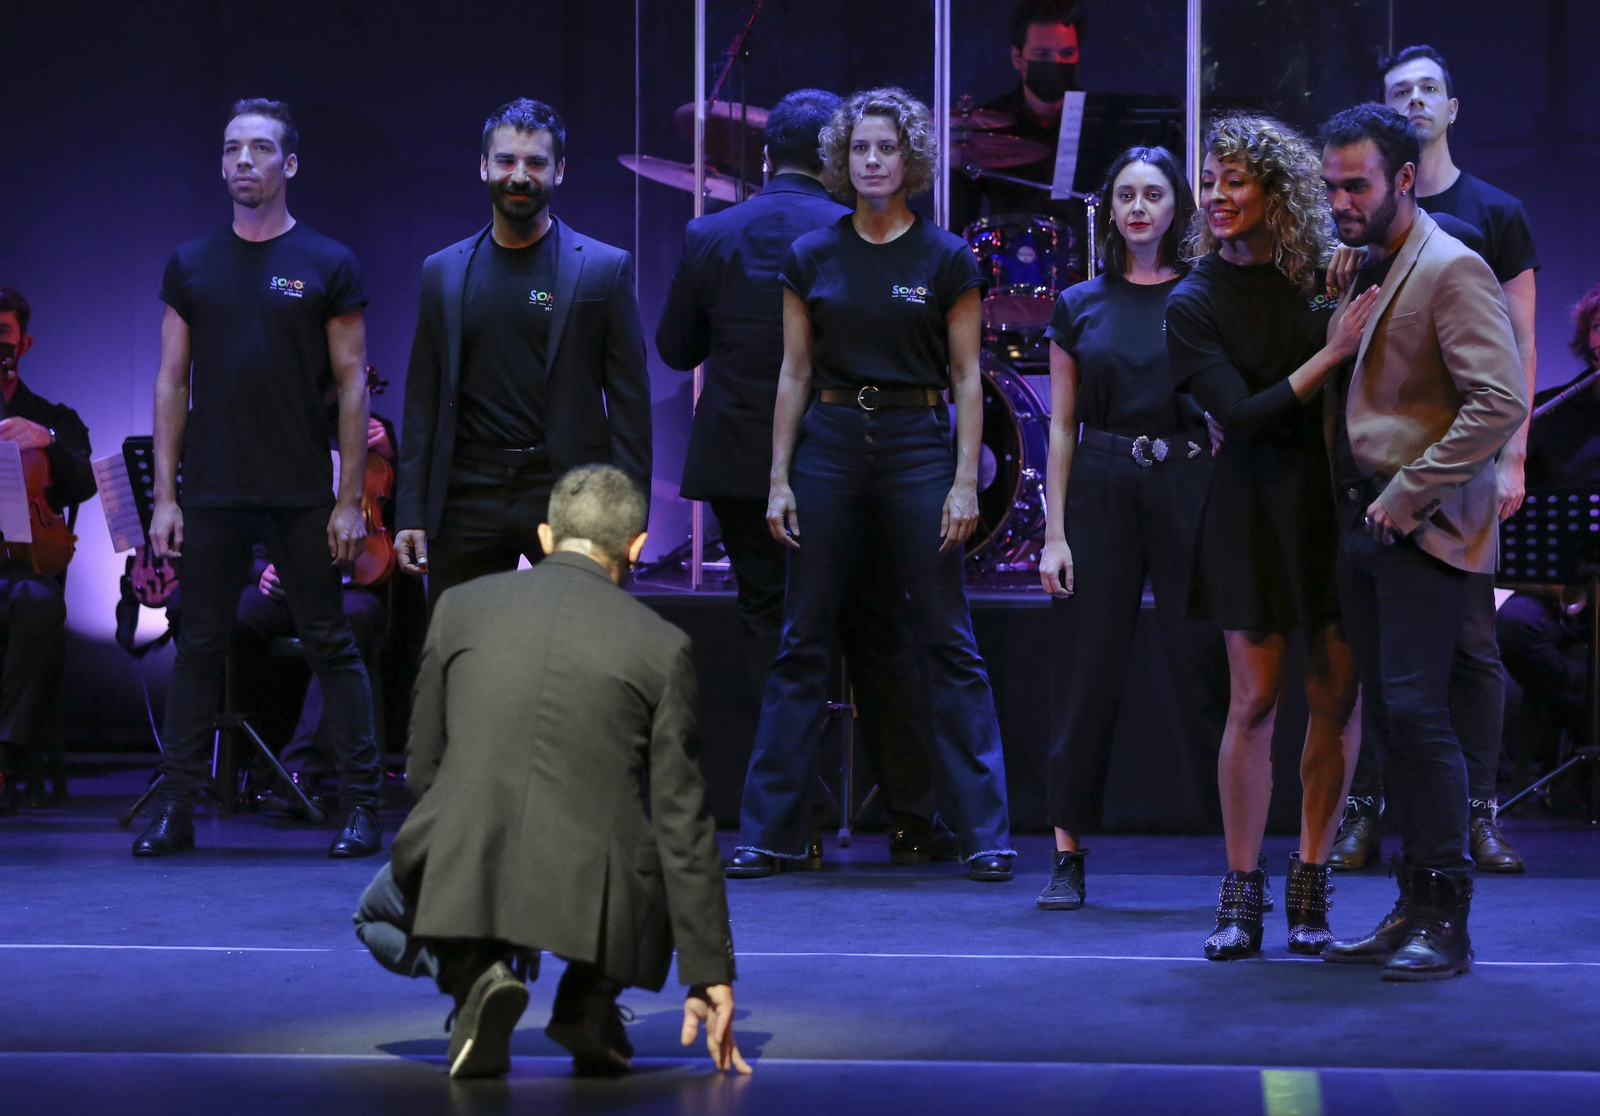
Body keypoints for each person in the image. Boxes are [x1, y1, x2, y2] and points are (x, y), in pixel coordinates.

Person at [353, 466, 748, 1081]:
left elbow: (423, 769)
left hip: (470, 856)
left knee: (375, 911)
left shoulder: (458, 607)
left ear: (544, 537)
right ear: (638, 548)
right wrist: (710, 972)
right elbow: (683, 824)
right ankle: (589, 1001)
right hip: (594, 888)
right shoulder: (661, 645)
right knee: (653, 853)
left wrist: (474, 885)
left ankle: (475, 973)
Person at [657, 89, 955, 872]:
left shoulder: (708, 234)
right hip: (854, 453)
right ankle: (914, 820)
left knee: (776, 637)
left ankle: (796, 822)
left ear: (763, 158)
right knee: (879, 633)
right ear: (833, 157)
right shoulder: (859, 234)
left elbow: (676, 350)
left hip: (739, 463)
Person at [731, 88, 1015, 882]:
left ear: (910, 158)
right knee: (802, 638)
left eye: (887, 148)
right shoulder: (812, 255)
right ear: (841, 160)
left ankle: (985, 833)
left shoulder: (945, 256)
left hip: (917, 444)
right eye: (860, 149)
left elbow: (967, 378)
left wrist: (966, 481)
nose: (873, 161)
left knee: (949, 638)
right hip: (827, 442)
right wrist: (779, 478)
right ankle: (771, 832)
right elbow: (792, 371)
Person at [138, 98, 383, 859]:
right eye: (232, 149)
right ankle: (177, 806)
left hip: (302, 494)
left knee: (332, 645)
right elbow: (170, 382)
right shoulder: (192, 263)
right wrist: (166, 497)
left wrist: (348, 501)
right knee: (199, 648)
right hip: (211, 493)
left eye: (261, 149)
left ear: (290, 165)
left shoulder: (327, 263)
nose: (245, 161)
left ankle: (363, 806)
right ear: (221, 163)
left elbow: (352, 386)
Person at [1317, 103, 1525, 980]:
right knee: (1397, 725)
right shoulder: (1373, 261)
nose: (1339, 201)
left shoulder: (1453, 265)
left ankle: (1447, 915)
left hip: (1424, 529)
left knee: (1419, 716)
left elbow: (1500, 400)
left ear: (1405, 177)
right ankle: (1412, 903)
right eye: (1330, 185)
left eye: (1355, 183)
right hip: (1370, 525)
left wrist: (1406, 498)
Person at [1166, 113, 1380, 959]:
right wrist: (1330, 356)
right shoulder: (1193, 300)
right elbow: (1244, 417)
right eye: (1210, 183)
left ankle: (1312, 886)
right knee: (1252, 703)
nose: (1217, 197)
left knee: (1336, 697)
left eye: (1236, 182)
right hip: (1251, 504)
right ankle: (1241, 894)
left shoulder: (1323, 277)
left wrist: (1336, 330)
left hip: (1333, 501)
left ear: (1276, 191)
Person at [1033, 147, 1227, 910]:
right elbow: (1060, 427)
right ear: (1110, 211)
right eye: (1126, 196)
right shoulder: (1079, 303)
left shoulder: (1205, 295)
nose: (1139, 207)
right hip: (1104, 483)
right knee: (1086, 674)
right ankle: (1067, 853)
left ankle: (1237, 860)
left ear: (1176, 206)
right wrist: (1054, 532)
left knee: (1204, 668)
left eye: (1153, 194)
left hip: (1187, 482)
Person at [394, 98, 651, 602]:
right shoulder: (442, 271)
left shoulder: (604, 268)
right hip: (467, 492)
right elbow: (421, 401)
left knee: (580, 651)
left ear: (559, 171)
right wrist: (410, 513)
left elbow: (630, 408)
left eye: (535, 162)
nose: (519, 175)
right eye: (507, 160)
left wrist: (628, 518)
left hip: (569, 492)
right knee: (460, 652)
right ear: (483, 166)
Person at [1496, 282, 1600, 801]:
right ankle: (1588, 721)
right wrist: (1560, 591)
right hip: (1562, 591)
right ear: (1589, 338)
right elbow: (1519, 518)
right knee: (1512, 625)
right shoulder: (1550, 414)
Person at [0, 287, 96, 812]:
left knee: (39, 603)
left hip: (21, 573)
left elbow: (84, 479)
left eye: (3, 335)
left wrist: (47, 439)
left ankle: (4, 758)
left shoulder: (51, 416)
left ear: (24, 343)